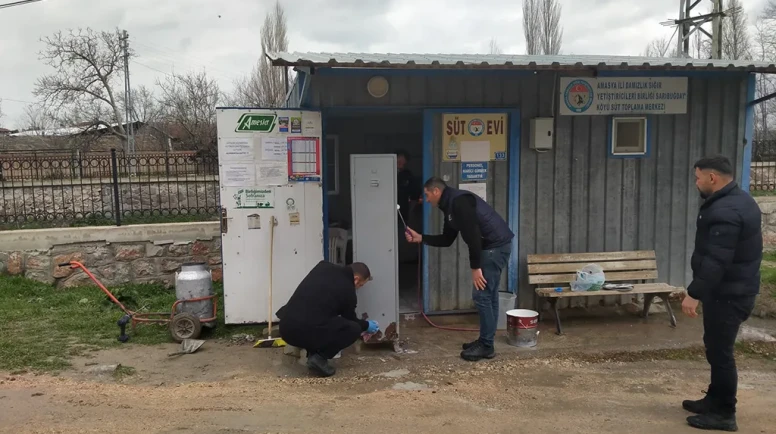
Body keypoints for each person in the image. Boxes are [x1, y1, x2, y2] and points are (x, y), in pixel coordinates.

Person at [681, 155, 762, 432]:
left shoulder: (726, 210)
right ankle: (714, 399)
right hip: (730, 291)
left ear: (712, 178)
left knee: (721, 353)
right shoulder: (739, 201)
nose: (696, 182)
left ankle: (724, 413)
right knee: (715, 349)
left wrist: (694, 293)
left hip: (729, 294)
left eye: (697, 177)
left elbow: (717, 260)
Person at [405, 177, 513, 361]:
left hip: (494, 247)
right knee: (489, 295)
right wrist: (420, 238)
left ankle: (487, 346)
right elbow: (447, 240)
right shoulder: (449, 206)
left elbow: (473, 236)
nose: (426, 199)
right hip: (492, 247)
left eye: (427, 194)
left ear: (436, 191)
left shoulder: (459, 202)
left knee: (482, 296)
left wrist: (475, 267)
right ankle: (486, 340)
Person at [277, 261, 379, 377]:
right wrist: (366, 325)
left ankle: (312, 352)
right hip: (302, 331)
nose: (358, 288)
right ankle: (319, 358)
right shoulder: (348, 292)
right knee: (353, 329)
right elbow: (351, 320)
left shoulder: (323, 266)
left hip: (285, 328)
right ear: (356, 279)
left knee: (320, 318)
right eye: (361, 285)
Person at [396, 150, 422, 223]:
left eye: (403, 164)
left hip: (403, 213)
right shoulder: (386, 173)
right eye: (399, 163)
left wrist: (411, 213)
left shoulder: (407, 175)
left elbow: (415, 194)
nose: (400, 166)